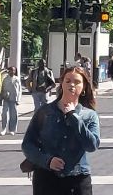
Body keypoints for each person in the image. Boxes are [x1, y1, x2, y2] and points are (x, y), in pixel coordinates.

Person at [21, 66, 101, 195]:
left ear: (84, 87)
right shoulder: (45, 112)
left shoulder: (89, 115)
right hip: (46, 178)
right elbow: (27, 144)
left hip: (77, 179)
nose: (72, 85)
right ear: (61, 84)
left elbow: (91, 145)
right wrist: (47, 160)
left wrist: (73, 117)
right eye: (68, 81)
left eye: (77, 82)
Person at [0, 66, 21, 136]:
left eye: (13, 70)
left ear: (15, 71)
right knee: (4, 113)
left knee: (13, 114)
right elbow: (2, 89)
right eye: (10, 70)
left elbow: (20, 90)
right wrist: (1, 97)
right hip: (6, 98)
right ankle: (3, 129)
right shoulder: (5, 79)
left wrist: (18, 99)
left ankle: (12, 129)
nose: (12, 71)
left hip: (14, 99)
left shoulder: (17, 79)